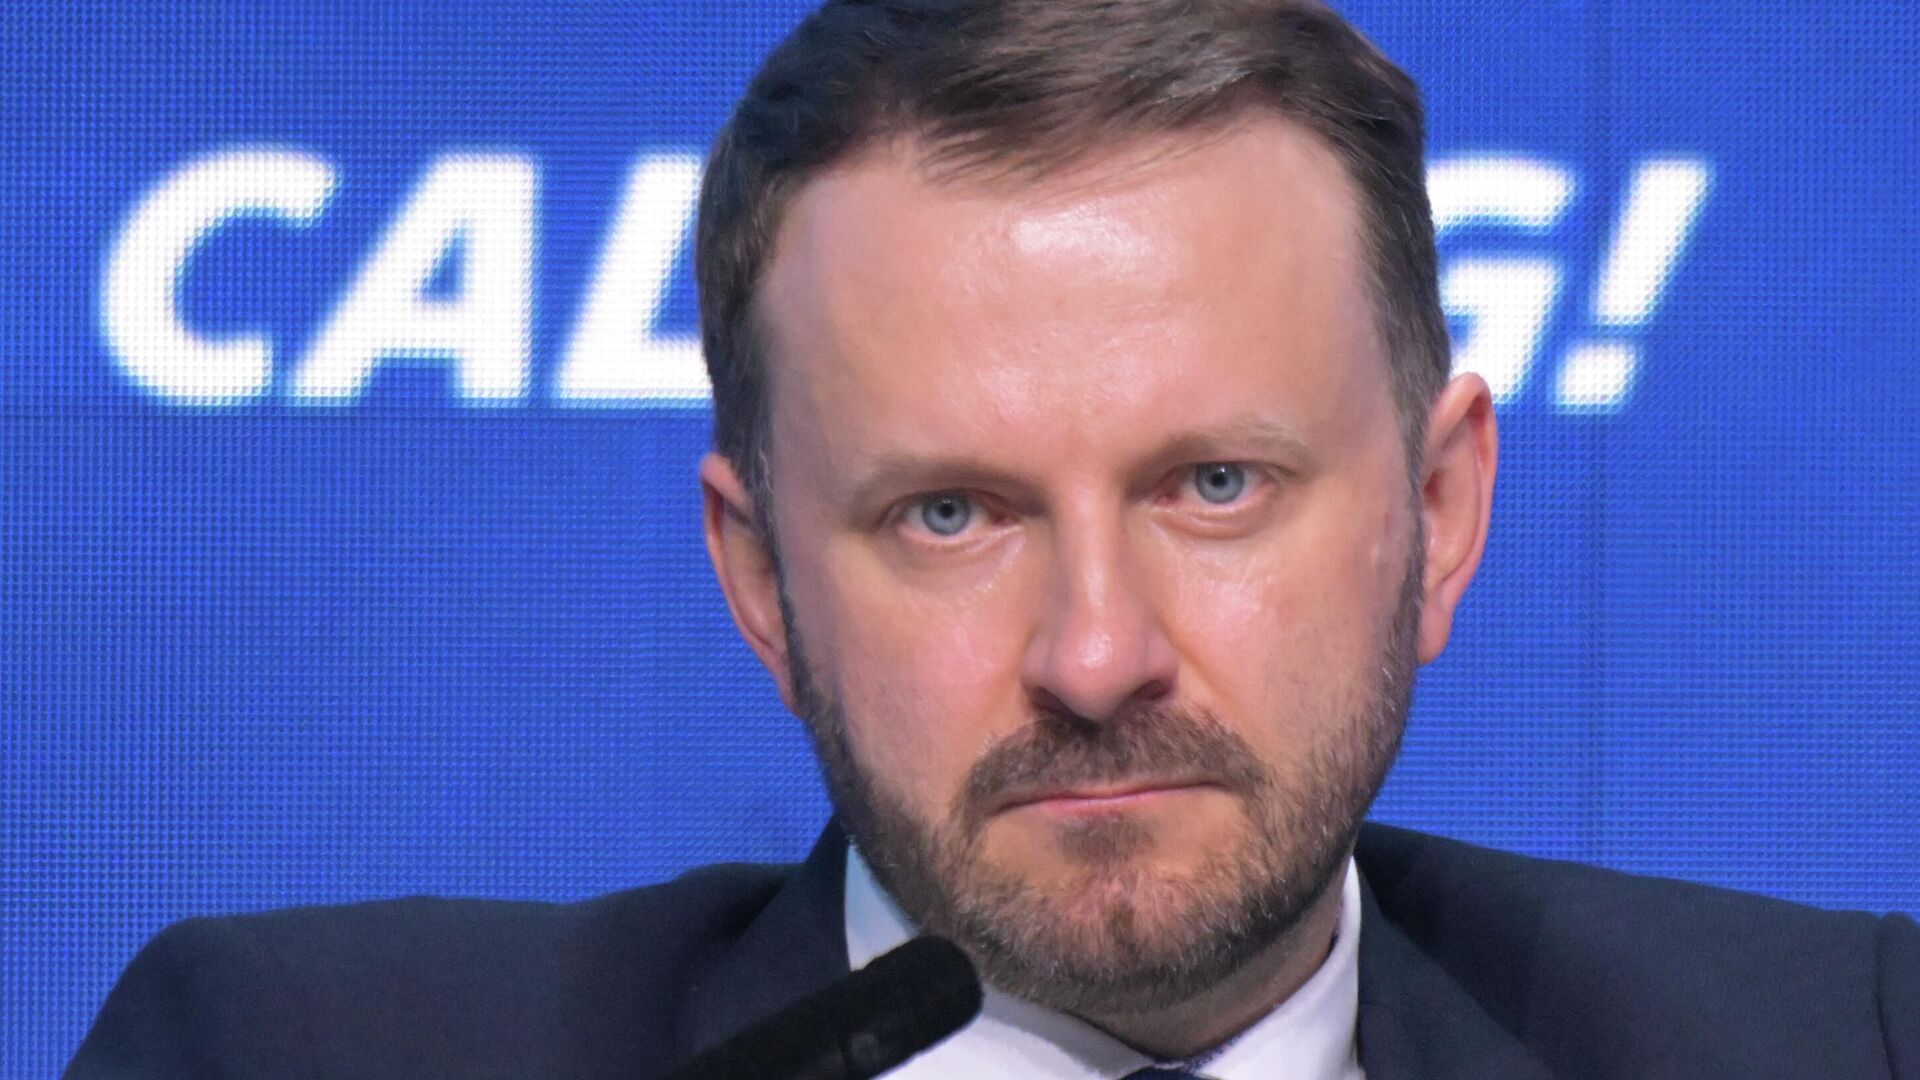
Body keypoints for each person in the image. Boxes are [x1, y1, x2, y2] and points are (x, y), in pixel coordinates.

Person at [67, 0, 1918, 1077]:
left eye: (1215, 487)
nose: (1097, 654)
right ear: (761, 581)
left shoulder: (1836, 1047)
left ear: (1440, 514)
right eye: (949, 514)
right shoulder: (300, 1053)